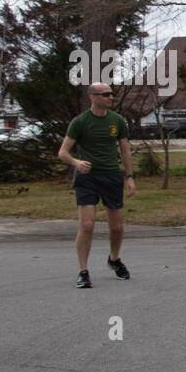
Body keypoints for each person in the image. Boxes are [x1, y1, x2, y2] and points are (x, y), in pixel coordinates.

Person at [58, 82, 135, 288]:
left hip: (111, 176)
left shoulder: (117, 121)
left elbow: (125, 150)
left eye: (112, 94)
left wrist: (129, 177)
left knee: (117, 227)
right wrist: (76, 162)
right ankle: (83, 271)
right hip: (87, 178)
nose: (111, 97)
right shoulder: (80, 122)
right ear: (93, 97)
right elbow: (63, 152)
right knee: (87, 225)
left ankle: (114, 259)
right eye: (106, 94)